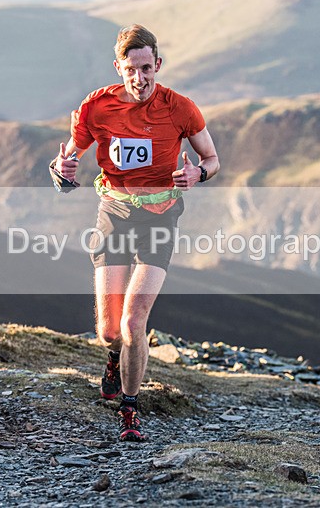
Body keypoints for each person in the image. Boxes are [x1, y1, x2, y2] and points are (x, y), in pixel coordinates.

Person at [50, 24, 219, 441]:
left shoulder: (180, 108)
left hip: (160, 219)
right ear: (119, 68)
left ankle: (129, 410)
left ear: (157, 65)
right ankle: (114, 357)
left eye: (147, 69)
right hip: (114, 215)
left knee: (132, 321)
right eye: (131, 70)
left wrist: (198, 174)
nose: (140, 79)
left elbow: (212, 159)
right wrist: (61, 172)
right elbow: (65, 162)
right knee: (110, 332)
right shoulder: (96, 107)